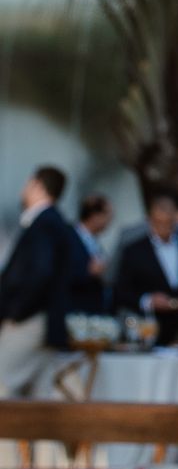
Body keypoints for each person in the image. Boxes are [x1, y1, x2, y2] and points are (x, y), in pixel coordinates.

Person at [0, 166, 83, 392]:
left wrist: (14, 314)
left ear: (37, 185)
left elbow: (39, 273)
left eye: (27, 184)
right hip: (43, 321)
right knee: (36, 397)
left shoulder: (45, 223)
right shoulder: (55, 222)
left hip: (29, 322)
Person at [108, 188, 178, 342]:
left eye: (169, 222)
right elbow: (121, 289)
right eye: (158, 223)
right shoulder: (134, 250)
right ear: (150, 220)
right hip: (148, 329)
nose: (164, 227)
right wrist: (148, 300)